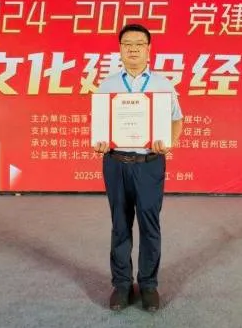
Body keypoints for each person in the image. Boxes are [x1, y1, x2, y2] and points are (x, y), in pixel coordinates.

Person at [93, 23, 183, 312]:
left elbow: (177, 119)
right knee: (120, 225)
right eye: (127, 44)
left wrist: (169, 143)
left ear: (148, 49)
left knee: (149, 225)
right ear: (120, 50)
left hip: (149, 164)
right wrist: (100, 142)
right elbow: (101, 125)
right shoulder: (107, 85)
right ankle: (121, 284)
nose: (132, 49)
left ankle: (148, 285)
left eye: (139, 44)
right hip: (116, 163)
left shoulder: (162, 84)